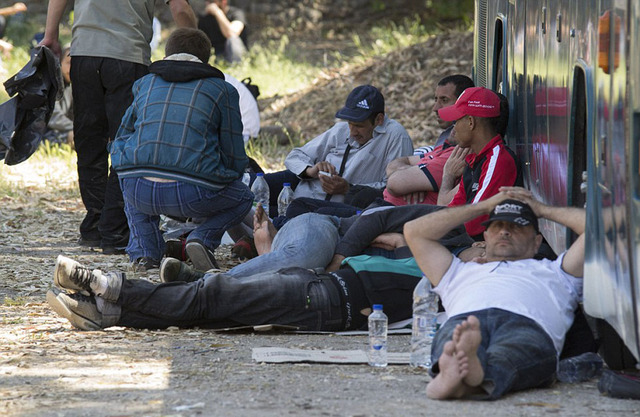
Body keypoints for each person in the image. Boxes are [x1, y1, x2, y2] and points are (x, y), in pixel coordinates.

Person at [40, 0, 196, 255]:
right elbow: (180, 8)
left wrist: (50, 34)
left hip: (84, 55)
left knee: (89, 141)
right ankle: (114, 230)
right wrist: (194, 49)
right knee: (125, 142)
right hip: (128, 56)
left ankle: (94, 224)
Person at [404, 187, 586, 400]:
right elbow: (414, 231)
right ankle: (468, 374)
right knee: (457, 339)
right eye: (497, 225)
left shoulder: (556, 271)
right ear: (485, 237)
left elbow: (597, 229)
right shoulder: (458, 271)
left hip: (527, 324)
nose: (505, 232)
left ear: (537, 241)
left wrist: (541, 209)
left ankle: (462, 378)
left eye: (517, 226)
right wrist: (484, 205)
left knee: (511, 353)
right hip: (467, 320)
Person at [109, 28, 252, 273]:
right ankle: (201, 239)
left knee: (130, 177)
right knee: (244, 197)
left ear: (167, 53)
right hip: (194, 193)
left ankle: (146, 254)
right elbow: (233, 151)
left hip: (140, 191)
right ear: (207, 58)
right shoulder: (223, 90)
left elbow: (122, 135)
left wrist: (125, 164)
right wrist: (227, 177)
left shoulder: (145, 84)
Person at [46, 250, 424, 332]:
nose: (481, 248)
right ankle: (108, 314)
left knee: (213, 292)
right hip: (326, 291)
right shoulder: (458, 264)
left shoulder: (455, 275)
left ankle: (104, 284)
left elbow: (409, 229)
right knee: (206, 314)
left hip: (330, 295)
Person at [267, 84, 413, 211]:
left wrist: (349, 189)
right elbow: (295, 156)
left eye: (359, 125)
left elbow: (394, 188)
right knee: (251, 189)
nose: (353, 131)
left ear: (379, 119)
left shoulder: (396, 137)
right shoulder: (340, 130)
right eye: (350, 123)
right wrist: (310, 170)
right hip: (299, 193)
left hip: (331, 209)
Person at [436, 87, 521, 239]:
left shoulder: (498, 159)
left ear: (470, 122)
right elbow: (452, 208)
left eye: (456, 121)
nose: (454, 128)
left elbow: (474, 224)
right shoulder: (474, 159)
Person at [383, 74, 474, 206]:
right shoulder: (448, 139)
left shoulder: (458, 153)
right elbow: (396, 164)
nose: (435, 108)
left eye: (444, 100)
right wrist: (413, 180)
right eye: (436, 99)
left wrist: (410, 179)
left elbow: (394, 182)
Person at [45, 46, 73, 146]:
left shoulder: (70, 85)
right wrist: (80, 129)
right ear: (60, 63)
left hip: (60, 130)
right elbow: (54, 118)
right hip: (41, 135)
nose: (72, 67)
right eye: (69, 63)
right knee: (78, 137)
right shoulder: (52, 84)